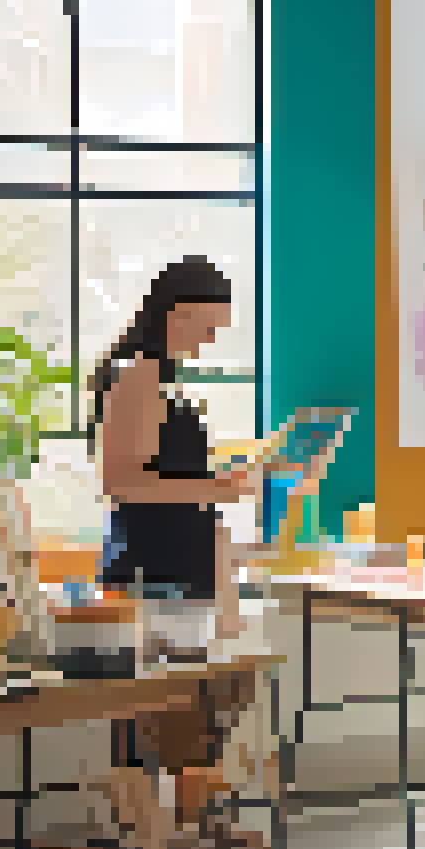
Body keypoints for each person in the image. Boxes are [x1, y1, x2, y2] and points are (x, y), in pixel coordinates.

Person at [92, 256, 258, 653]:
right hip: (158, 581)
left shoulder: (154, 379)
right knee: (170, 708)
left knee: (185, 707)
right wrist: (216, 488)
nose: (209, 340)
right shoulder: (139, 377)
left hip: (173, 580)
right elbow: (121, 482)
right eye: (207, 327)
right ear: (176, 315)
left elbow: (165, 477)